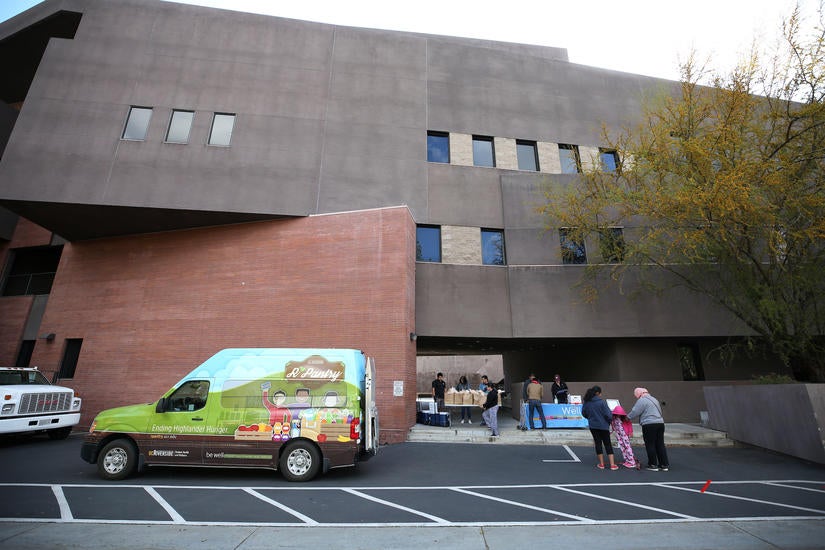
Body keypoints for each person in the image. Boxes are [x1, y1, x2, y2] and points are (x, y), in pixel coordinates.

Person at [627, 387, 669, 471]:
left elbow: (635, 411)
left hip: (649, 424)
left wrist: (627, 418)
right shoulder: (654, 399)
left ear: (638, 394)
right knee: (660, 444)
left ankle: (653, 464)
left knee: (650, 444)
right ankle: (664, 465)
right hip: (660, 423)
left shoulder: (642, 400)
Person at [581, 385, 618, 470]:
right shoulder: (602, 402)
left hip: (593, 426)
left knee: (598, 443)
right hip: (603, 426)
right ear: (598, 393)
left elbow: (584, 413)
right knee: (607, 443)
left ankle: (601, 464)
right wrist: (609, 421)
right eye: (600, 393)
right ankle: (612, 465)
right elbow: (608, 415)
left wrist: (590, 418)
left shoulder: (587, 402)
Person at [611, 405, 639, 469]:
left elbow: (629, 425)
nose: (618, 414)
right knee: (623, 447)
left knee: (627, 447)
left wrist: (630, 432)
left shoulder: (625, 418)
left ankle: (632, 462)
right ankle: (627, 460)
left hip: (625, 434)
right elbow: (613, 424)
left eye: (619, 413)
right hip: (619, 434)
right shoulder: (614, 418)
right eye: (617, 413)